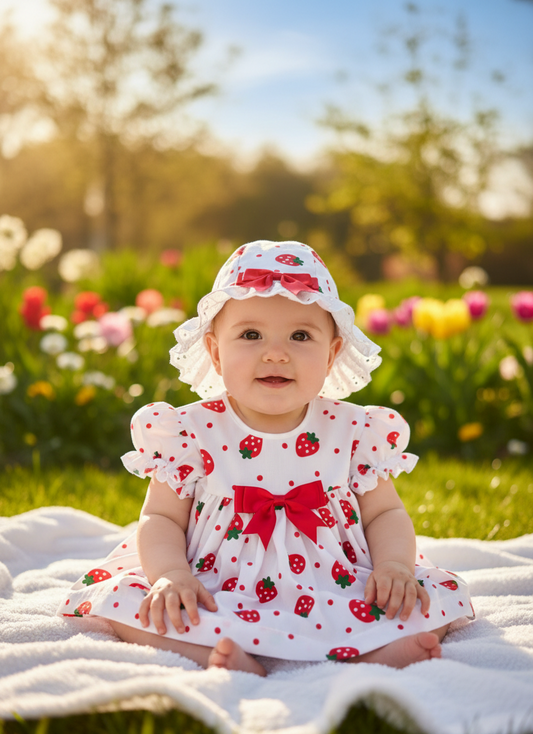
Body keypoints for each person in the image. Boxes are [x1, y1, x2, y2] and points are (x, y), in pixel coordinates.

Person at [58, 240, 473, 676]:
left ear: (331, 355)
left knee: (428, 599)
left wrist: (393, 567)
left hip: (333, 577)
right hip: (215, 580)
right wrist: (171, 574)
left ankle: (379, 655)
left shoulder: (354, 430)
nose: (276, 353)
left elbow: (385, 511)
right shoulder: (189, 432)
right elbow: (160, 518)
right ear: (216, 352)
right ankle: (217, 655)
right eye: (251, 335)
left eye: (300, 336)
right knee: (134, 606)